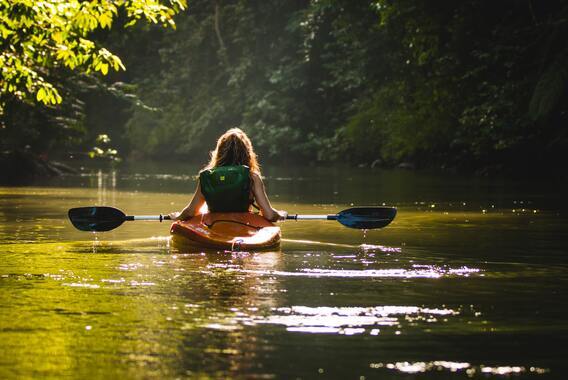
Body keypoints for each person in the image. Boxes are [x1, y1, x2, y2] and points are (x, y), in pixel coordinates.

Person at [169, 128, 287, 222]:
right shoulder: (252, 178)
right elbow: (270, 215)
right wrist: (281, 214)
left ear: (219, 151)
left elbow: (190, 212)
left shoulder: (207, 177)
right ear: (247, 153)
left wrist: (178, 216)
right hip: (243, 226)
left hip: (214, 226)